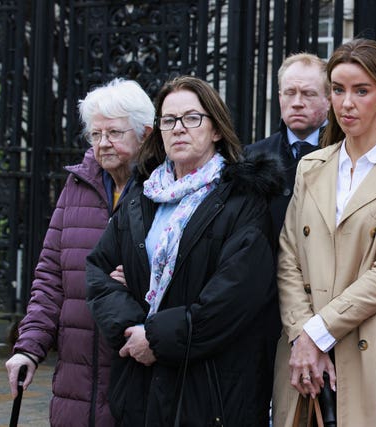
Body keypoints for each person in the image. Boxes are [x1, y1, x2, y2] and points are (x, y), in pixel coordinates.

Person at [86, 75, 283, 426]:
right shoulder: (142, 197)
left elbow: (234, 297)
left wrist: (157, 337)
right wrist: (135, 331)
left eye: (192, 118)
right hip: (141, 386)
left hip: (209, 389)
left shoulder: (242, 200)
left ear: (216, 129)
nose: (179, 129)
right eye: (168, 120)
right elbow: (100, 272)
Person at [272, 38, 376, 426]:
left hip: (371, 348)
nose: (346, 104)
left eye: (361, 91)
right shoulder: (311, 166)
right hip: (302, 354)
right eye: (338, 90)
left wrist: (316, 333)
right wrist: (301, 335)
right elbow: (289, 257)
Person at [5, 78, 154, 427]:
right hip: (74, 386)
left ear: (145, 134)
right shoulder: (77, 186)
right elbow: (49, 279)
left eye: (115, 133)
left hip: (134, 378)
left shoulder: (163, 189)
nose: (103, 143)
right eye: (95, 134)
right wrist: (29, 347)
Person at [245, 52, 330, 237]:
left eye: (308, 94)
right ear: (280, 97)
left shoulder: (346, 153)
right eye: (290, 93)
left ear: (328, 100)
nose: (297, 103)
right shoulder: (253, 156)